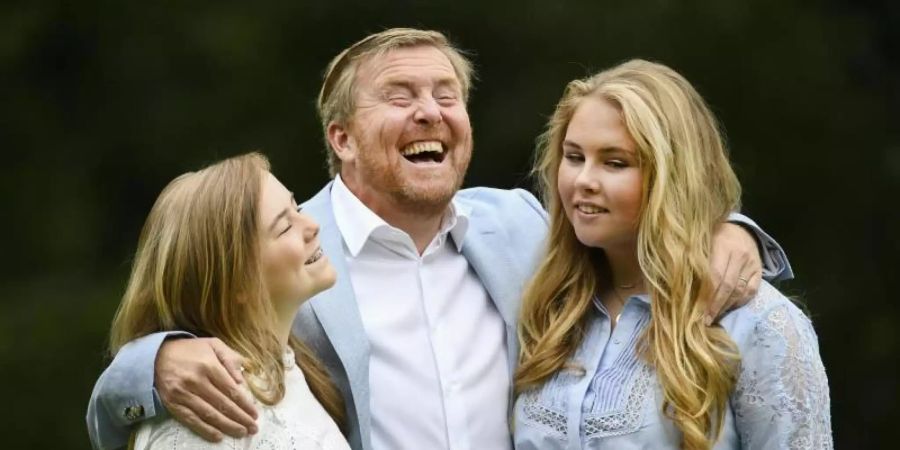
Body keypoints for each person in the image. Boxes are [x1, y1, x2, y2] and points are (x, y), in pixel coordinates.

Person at [87, 29, 793, 450]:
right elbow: (187, 305)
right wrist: (153, 361)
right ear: (341, 139)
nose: (431, 111)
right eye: (399, 96)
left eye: (447, 94)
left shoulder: (519, 225)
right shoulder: (289, 252)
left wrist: (733, 231)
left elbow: (632, 208)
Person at [513, 59, 831, 449]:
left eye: (615, 163)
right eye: (574, 157)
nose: (583, 181)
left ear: (674, 177)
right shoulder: (546, 305)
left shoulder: (759, 324)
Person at [95, 153, 349, 449]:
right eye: (284, 226)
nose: (313, 224)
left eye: (296, 206)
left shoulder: (289, 371)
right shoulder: (205, 417)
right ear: (237, 280)